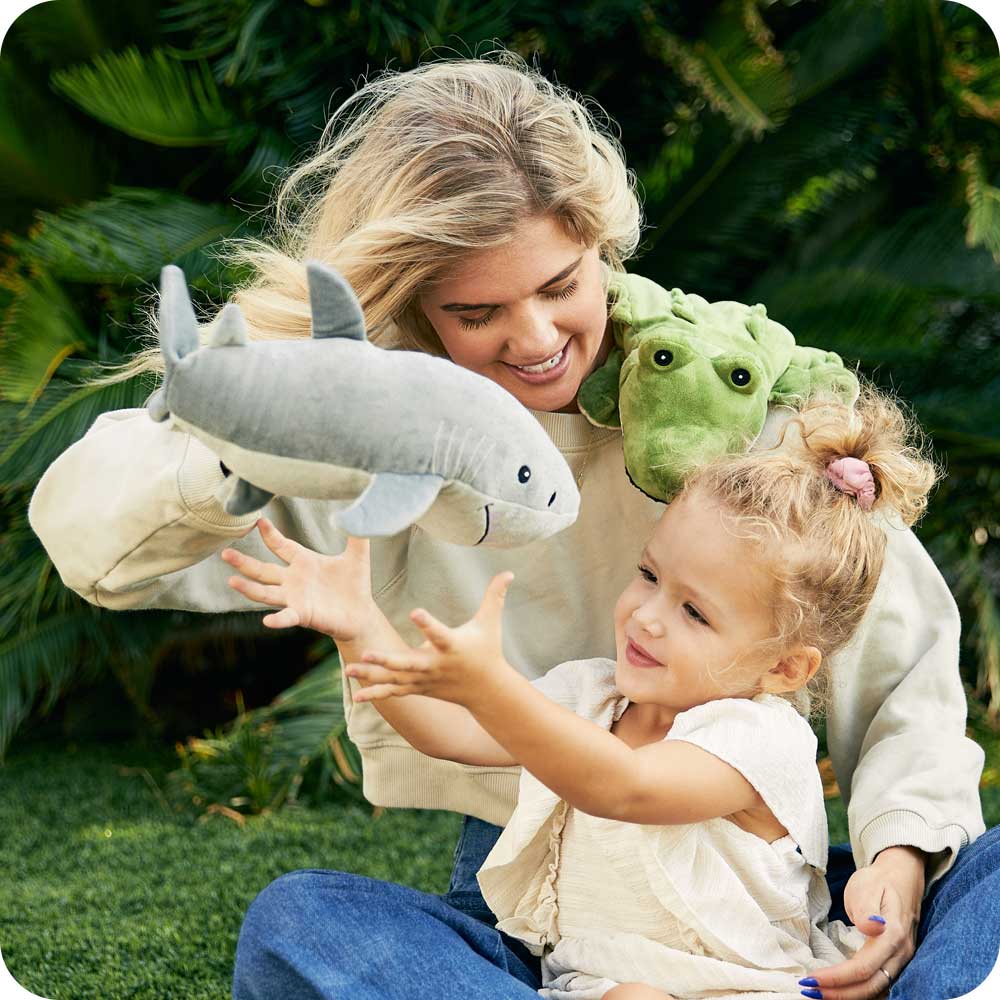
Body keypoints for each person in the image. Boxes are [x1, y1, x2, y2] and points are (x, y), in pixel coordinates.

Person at [25, 53, 994, 1000]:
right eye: (477, 309)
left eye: (560, 283)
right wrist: (260, 444)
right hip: (541, 908)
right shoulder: (363, 415)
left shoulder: (719, 396)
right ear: (412, 306)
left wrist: (899, 862)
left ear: (600, 244)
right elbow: (84, 541)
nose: (533, 339)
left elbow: (894, 663)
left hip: (752, 893)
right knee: (298, 924)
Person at [221, 388, 932, 999]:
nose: (648, 615)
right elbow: (445, 731)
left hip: (743, 990)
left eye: (695, 613)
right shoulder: (591, 693)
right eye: (651, 575)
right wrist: (359, 627)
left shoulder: (758, 738)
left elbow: (621, 785)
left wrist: (492, 687)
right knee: (298, 913)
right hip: (569, 987)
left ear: (785, 669)